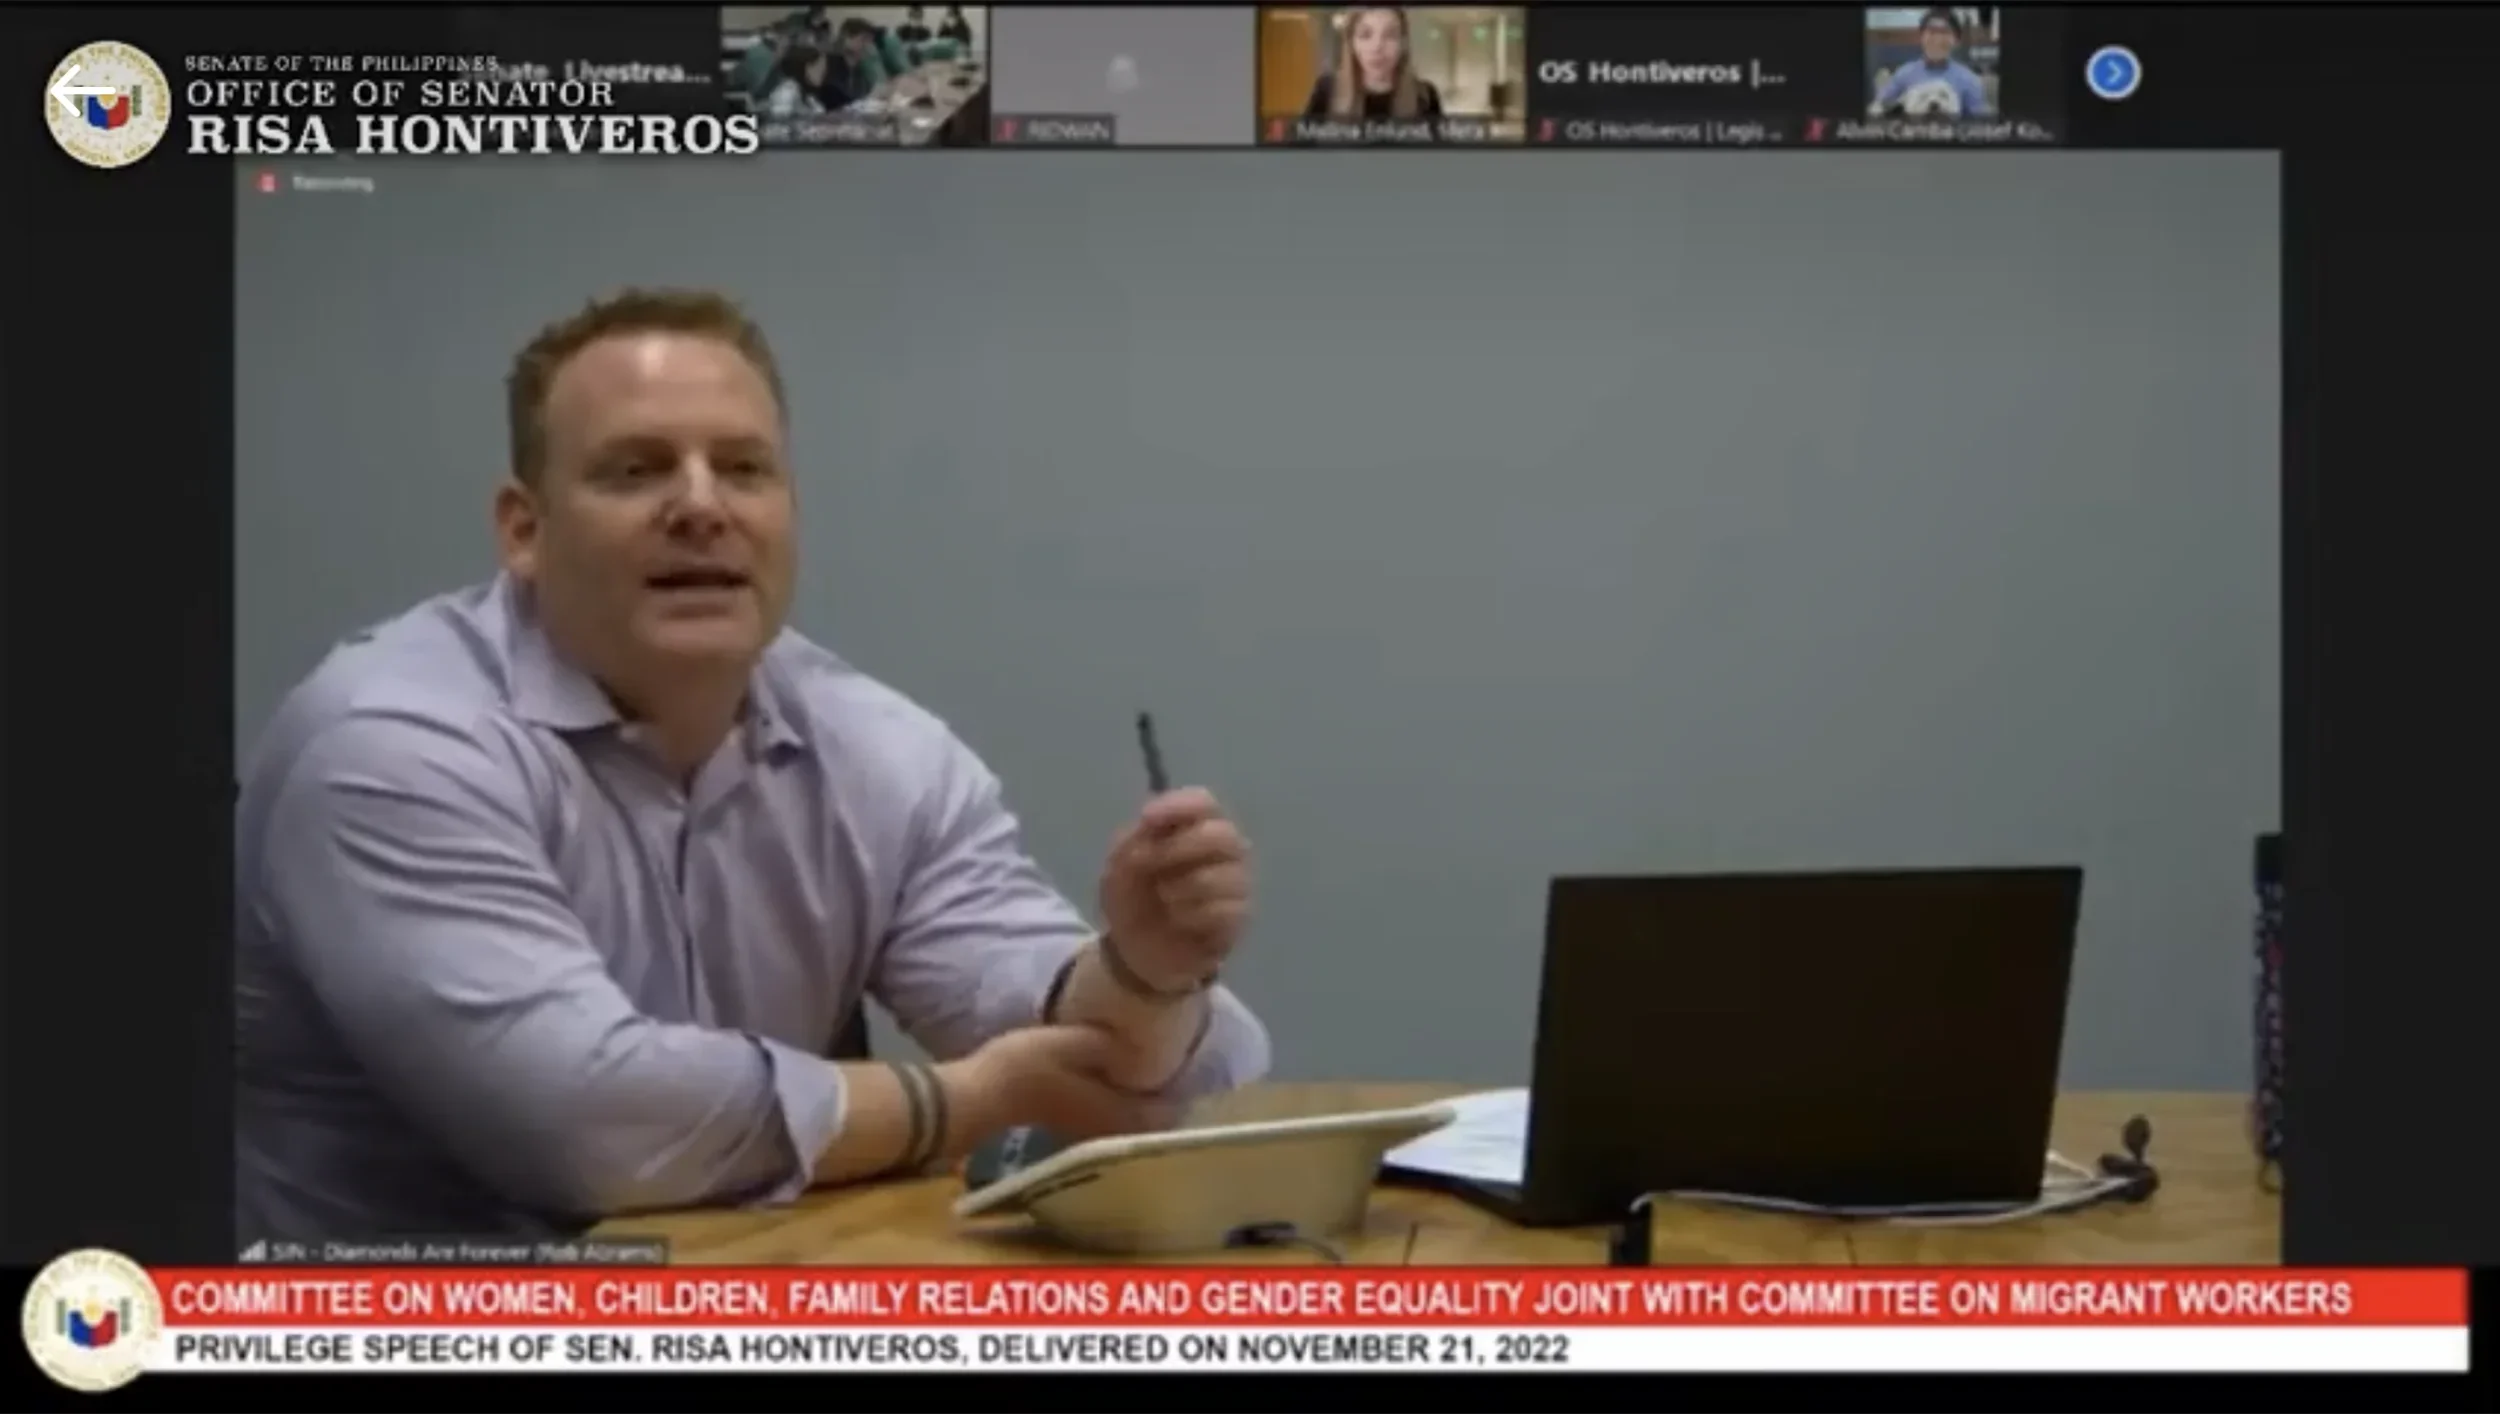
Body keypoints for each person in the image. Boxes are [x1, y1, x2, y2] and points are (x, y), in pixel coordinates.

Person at [234, 288, 1273, 1241]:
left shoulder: (872, 748)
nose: (701, 506)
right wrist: (973, 1102)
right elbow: (581, 1123)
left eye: (742, 468)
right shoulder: (388, 746)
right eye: (635, 469)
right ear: (524, 529)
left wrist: (1142, 977)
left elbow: (1182, 1069)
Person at [1303, 8, 1443, 121]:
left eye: (1390, 35)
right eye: (1365, 35)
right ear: (1352, 44)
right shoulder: (1327, 90)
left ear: (1403, 44)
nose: (1377, 47)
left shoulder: (1425, 96)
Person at [1870, 9, 1992, 117]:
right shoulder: (1903, 74)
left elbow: (1982, 126)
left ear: (1956, 40)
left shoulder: (1970, 80)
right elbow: (1877, 109)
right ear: (1921, 37)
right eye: (1932, 32)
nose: (1937, 39)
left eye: (1944, 32)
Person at [761, 42, 828, 116]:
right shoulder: (786, 93)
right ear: (805, 68)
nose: (823, 74)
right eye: (819, 69)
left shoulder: (809, 97)